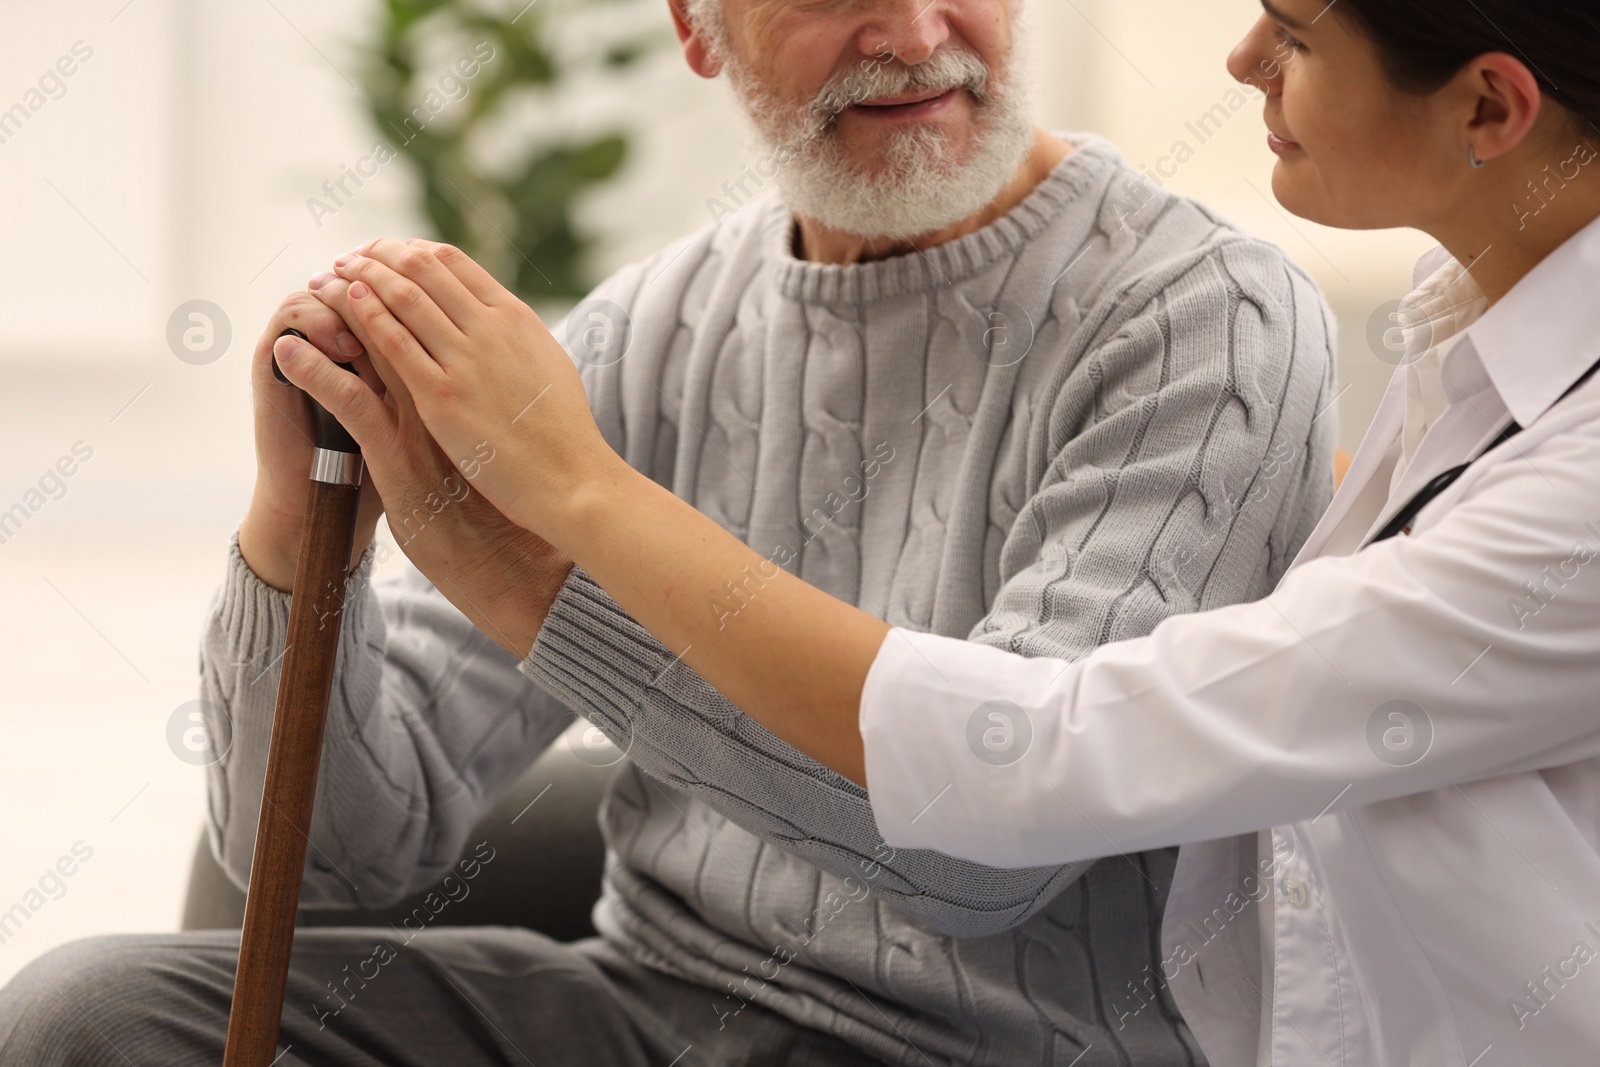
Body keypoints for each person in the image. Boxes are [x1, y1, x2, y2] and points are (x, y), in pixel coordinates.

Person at [187, 0, 1600, 1063]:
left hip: (992, 1046)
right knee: (103, 1016)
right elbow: (317, 858)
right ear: (695, 25)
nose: (918, 34)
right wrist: (292, 533)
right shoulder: (653, 324)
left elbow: (1000, 829)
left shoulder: (1202, 320)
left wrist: (558, 545)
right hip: (652, 1000)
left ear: (1493, 108)